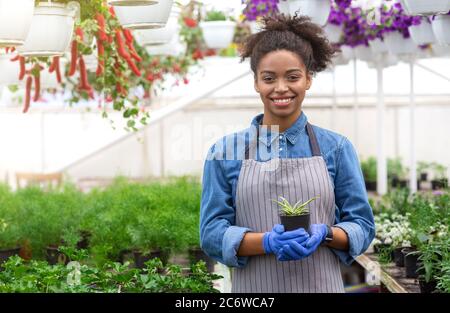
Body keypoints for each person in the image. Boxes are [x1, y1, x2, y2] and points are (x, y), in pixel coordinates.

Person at [199, 14, 375, 293]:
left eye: (292, 77)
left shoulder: (337, 148)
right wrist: (267, 242)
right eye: (269, 78)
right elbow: (210, 234)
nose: (281, 88)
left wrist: (326, 234)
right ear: (256, 82)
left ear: (308, 79)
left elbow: (362, 226)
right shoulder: (224, 153)